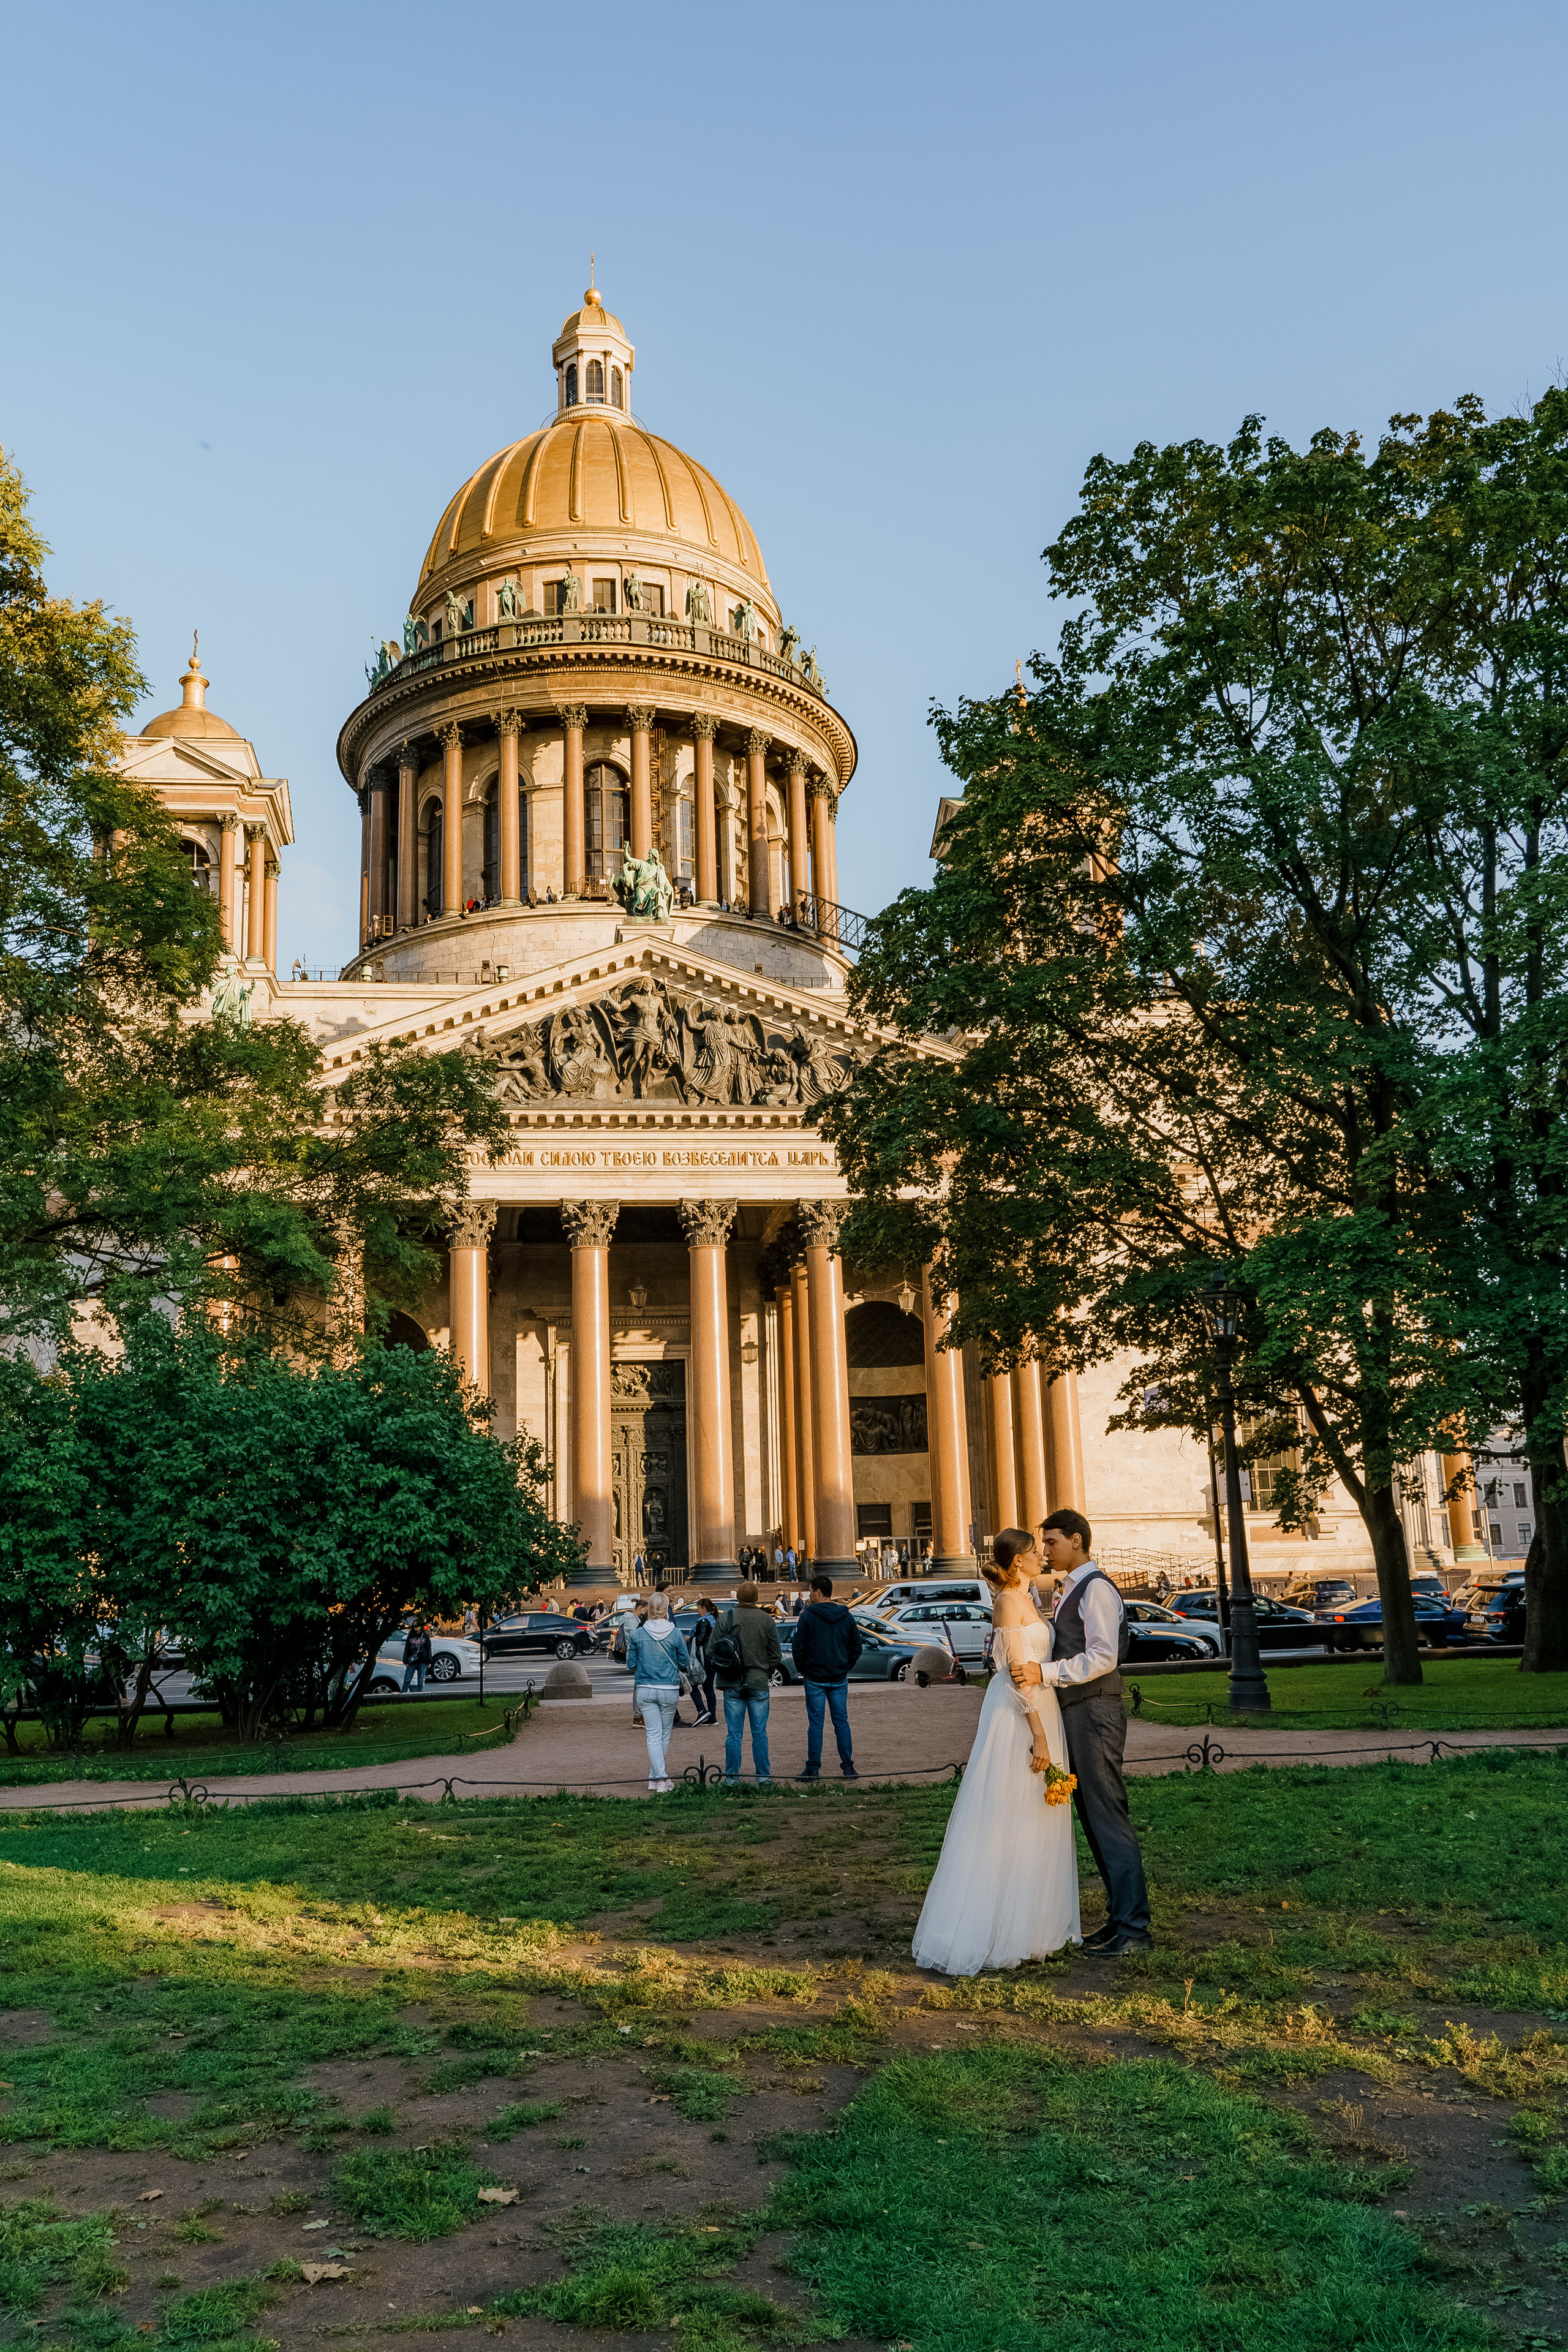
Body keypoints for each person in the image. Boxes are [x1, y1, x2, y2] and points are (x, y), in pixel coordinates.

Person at [912, 1530, 1080, 1974]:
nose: (1042, 1556)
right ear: (1018, 1560)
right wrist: (1039, 1735)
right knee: (1010, 1814)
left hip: (1043, 1707)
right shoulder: (1007, 1601)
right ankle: (996, 1927)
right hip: (1020, 1716)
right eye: (1034, 1552)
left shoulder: (1029, 1598)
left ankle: (1033, 1926)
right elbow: (1015, 1675)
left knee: (1036, 1816)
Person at [1009, 1507, 1152, 1956]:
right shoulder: (1072, 1589)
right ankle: (1119, 1920)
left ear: (1076, 1540)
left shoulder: (1097, 1589)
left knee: (1108, 1815)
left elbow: (1103, 1656)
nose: (1046, 1551)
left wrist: (1043, 1672)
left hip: (1096, 1711)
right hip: (1080, 1711)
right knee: (1094, 1818)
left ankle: (1134, 1929)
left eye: (1051, 1542)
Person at [791, 1574, 863, 1781]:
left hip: (814, 1677)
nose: (809, 1595)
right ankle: (848, 1767)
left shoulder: (807, 1616)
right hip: (839, 1676)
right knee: (841, 1722)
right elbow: (856, 1647)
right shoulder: (846, 1615)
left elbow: (798, 1648)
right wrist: (845, 1666)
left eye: (811, 1591)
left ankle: (813, 1768)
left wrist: (804, 1669)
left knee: (816, 1724)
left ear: (819, 1593)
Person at [624, 1593, 693, 1793]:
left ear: (649, 1609)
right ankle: (660, 1779)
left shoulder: (638, 1634)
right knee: (664, 1735)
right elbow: (684, 1662)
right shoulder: (675, 1633)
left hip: (645, 1688)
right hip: (669, 1689)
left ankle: (656, 1778)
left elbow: (631, 1664)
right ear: (666, 1609)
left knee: (652, 1735)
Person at [714, 1581, 782, 1785]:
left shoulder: (726, 1618)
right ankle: (763, 1777)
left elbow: (712, 1651)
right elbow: (776, 1655)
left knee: (734, 1734)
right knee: (760, 1733)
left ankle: (732, 1779)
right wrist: (764, 1670)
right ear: (757, 1599)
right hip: (758, 1682)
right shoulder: (767, 1619)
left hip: (731, 1682)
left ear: (738, 1598)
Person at [691, 1596, 720, 1725]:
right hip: (712, 1658)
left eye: (698, 1608)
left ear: (703, 1608)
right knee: (709, 1688)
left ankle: (703, 1711)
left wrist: (689, 1639)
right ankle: (712, 1717)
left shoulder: (703, 1621)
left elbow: (701, 1639)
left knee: (692, 1686)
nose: (697, 1611)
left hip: (703, 1658)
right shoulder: (713, 1620)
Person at [401, 1622, 432, 1692]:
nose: (417, 1627)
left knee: (421, 1680)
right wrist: (406, 1661)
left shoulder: (426, 1636)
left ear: (421, 1627)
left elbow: (429, 1649)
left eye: (418, 1625)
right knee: (407, 1679)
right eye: (415, 1626)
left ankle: (419, 1696)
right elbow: (407, 1648)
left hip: (422, 1661)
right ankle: (403, 1695)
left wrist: (429, 1661)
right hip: (412, 1661)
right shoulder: (410, 1636)